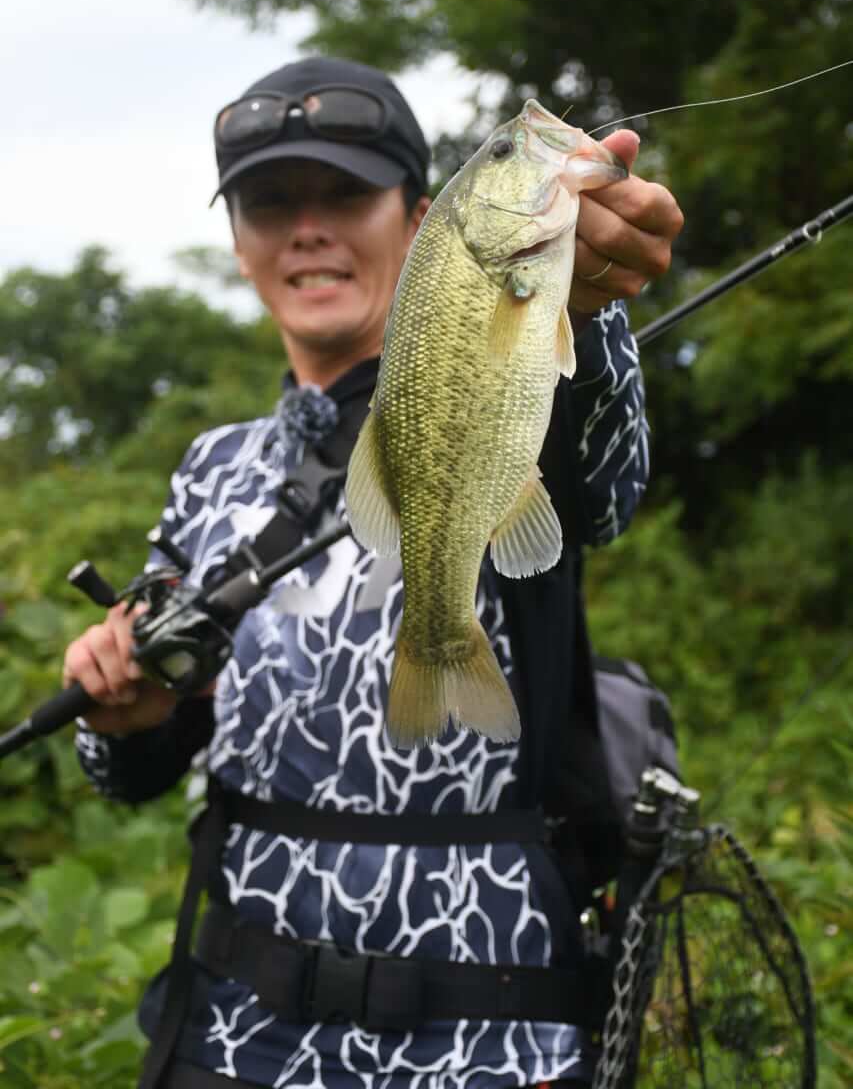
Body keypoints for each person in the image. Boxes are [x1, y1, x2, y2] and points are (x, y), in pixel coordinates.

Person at [64, 56, 683, 1089]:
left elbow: (602, 484)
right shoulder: (210, 468)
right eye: (270, 202)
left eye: (345, 192)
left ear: (418, 213)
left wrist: (591, 303)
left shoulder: (505, 359)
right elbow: (134, 768)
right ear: (239, 240)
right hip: (233, 1037)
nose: (307, 227)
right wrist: (118, 714)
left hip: (485, 1041)